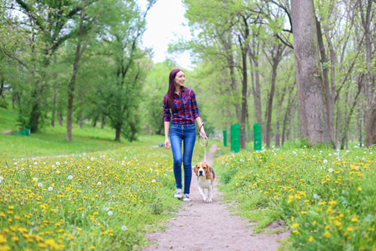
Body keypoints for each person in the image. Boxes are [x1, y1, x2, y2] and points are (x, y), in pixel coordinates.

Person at [163, 68, 206, 202]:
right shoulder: (167, 97)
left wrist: (201, 128)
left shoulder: (190, 93)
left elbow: (196, 112)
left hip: (189, 130)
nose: (183, 79)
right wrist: (166, 137)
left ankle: (186, 192)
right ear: (174, 78)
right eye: (180, 76)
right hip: (175, 130)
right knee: (177, 159)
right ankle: (178, 188)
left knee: (187, 162)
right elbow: (166, 117)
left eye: (184, 76)